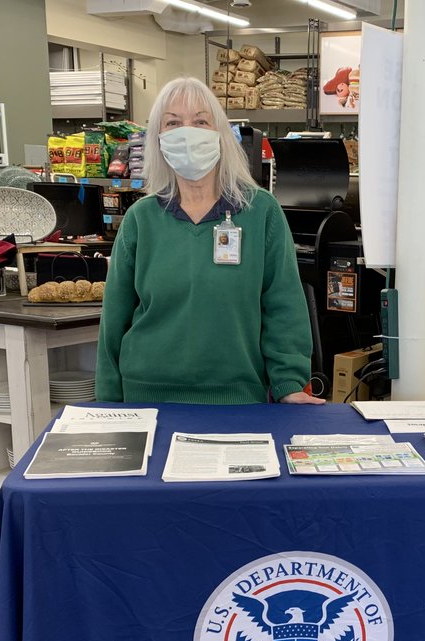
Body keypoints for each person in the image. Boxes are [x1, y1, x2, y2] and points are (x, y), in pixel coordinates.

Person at [96, 76, 323, 405]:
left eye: (200, 121)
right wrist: (106, 401)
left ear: (221, 134)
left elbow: (283, 304)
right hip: (145, 397)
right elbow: (114, 318)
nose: (187, 132)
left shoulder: (260, 212)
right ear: (158, 139)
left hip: (238, 400)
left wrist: (289, 382)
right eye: (173, 122)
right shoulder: (140, 219)